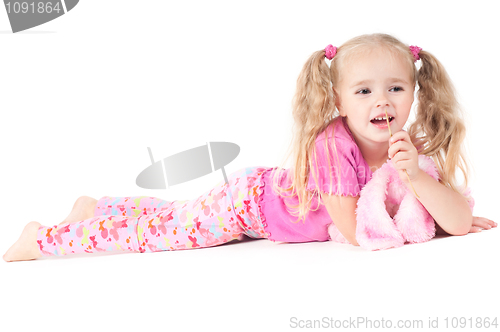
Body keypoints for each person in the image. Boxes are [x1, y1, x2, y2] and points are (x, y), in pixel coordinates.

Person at [4, 33, 496, 262]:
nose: (382, 101)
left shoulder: (407, 146)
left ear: (414, 92)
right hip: (248, 208)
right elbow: (357, 231)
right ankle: (44, 239)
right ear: (339, 101)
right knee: (163, 233)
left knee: (174, 212)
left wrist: (420, 186)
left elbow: (454, 221)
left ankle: (95, 207)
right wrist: (425, 218)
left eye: (395, 88)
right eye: (364, 91)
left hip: (261, 197)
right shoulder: (333, 144)